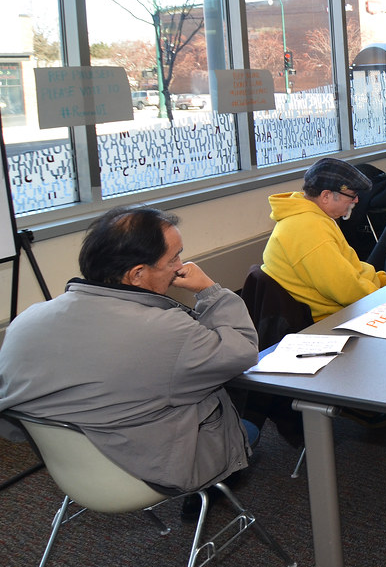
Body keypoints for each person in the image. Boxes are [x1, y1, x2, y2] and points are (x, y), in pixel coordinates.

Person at [0, 207, 256, 494]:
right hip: (151, 473)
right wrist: (210, 291)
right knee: (225, 398)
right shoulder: (167, 331)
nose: (181, 266)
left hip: (72, 473)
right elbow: (243, 349)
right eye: (174, 258)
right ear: (136, 274)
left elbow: (12, 425)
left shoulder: (24, 322)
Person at [262, 157, 386, 323]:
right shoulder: (308, 229)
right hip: (330, 320)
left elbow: (349, 266)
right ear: (326, 196)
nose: (356, 201)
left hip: (341, 309)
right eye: (352, 195)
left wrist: (383, 280)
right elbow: (345, 289)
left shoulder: (314, 218)